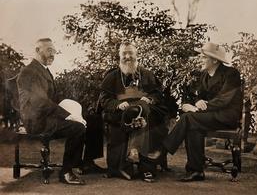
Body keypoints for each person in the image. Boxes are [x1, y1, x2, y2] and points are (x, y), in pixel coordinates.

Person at [17, 38, 103, 185]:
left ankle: (86, 162)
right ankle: (66, 172)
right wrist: (68, 115)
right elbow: (40, 102)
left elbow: (54, 99)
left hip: (47, 116)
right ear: (37, 50)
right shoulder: (29, 72)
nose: (53, 54)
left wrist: (75, 110)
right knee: (77, 127)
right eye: (49, 50)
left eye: (54, 51)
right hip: (36, 121)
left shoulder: (44, 70)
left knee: (93, 120)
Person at [153, 42, 242, 182]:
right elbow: (198, 96)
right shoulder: (205, 75)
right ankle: (196, 171)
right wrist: (194, 104)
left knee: (188, 118)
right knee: (192, 127)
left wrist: (198, 108)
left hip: (227, 116)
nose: (199, 59)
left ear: (214, 60)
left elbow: (224, 100)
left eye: (203, 57)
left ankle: (162, 152)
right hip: (210, 116)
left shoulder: (231, 74)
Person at [99, 41, 168, 182]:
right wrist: (118, 104)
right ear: (119, 56)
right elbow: (104, 99)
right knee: (137, 118)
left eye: (130, 52)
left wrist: (150, 99)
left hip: (146, 109)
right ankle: (132, 163)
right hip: (121, 112)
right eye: (124, 53)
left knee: (143, 113)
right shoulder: (111, 76)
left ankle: (145, 167)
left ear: (136, 55)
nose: (127, 56)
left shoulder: (147, 74)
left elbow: (158, 94)